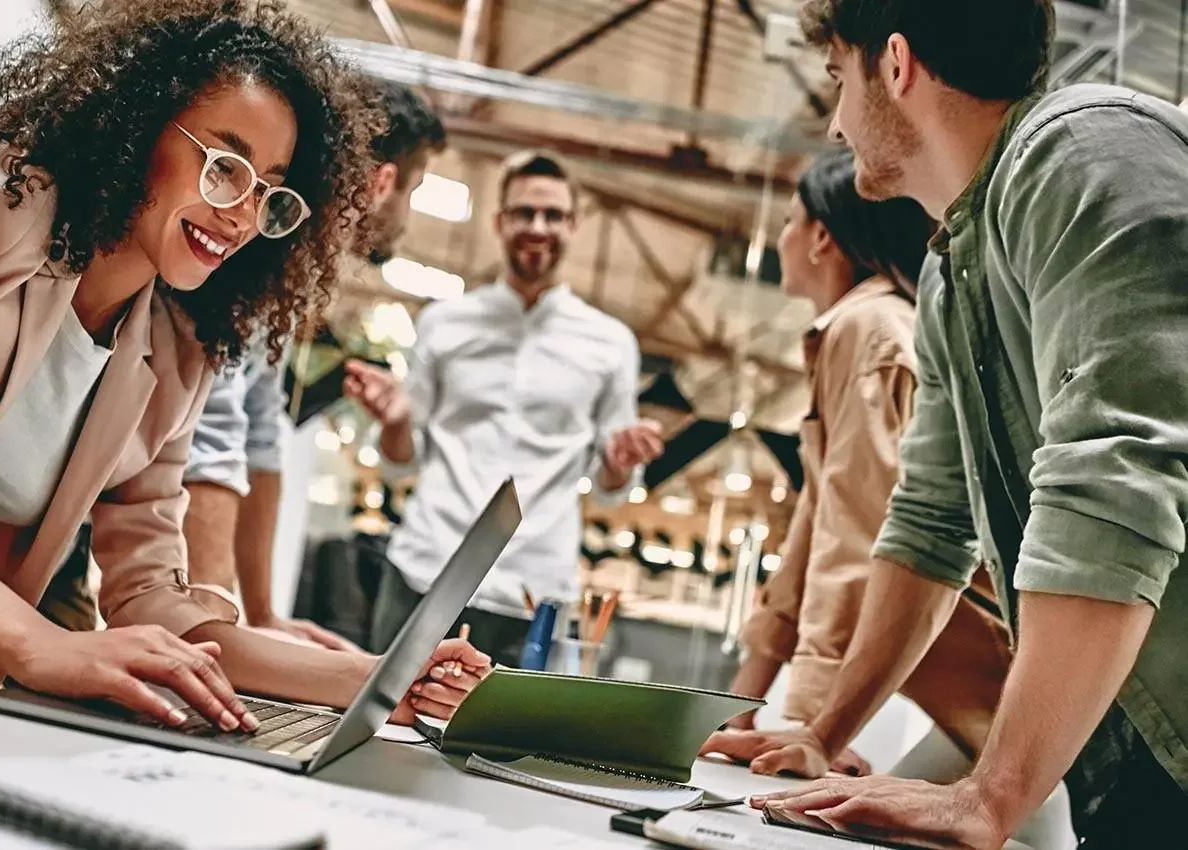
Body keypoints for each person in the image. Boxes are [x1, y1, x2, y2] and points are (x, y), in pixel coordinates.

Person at [0, 0, 486, 758]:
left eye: (270, 193)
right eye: (224, 167)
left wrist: (378, 679)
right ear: (138, 125)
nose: (242, 215)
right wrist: (43, 646)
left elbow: (152, 597)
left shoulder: (176, 351)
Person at [707, 1, 1188, 846]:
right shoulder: (949, 273)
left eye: (837, 81)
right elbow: (930, 521)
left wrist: (990, 796)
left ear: (895, 65)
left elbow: (1112, 484)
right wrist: (824, 733)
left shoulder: (1084, 153)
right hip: (1136, 748)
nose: (835, 122)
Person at [720, 149, 1017, 776]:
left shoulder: (869, 331)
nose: (781, 237)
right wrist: (739, 704)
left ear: (822, 236)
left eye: (789, 221)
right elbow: (812, 530)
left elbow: (858, 535)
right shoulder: (857, 330)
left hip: (990, 675)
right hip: (966, 681)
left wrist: (811, 727)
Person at [345, 151, 665, 668]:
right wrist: (397, 422)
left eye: (554, 215)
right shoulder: (444, 324)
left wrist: (620, 462)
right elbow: (401, 460)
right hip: (427, 571)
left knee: (505, 746)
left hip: (534, 591)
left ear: (574, 225)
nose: (538, 227)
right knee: (383, 729)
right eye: (524, 213)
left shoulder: (612, 344)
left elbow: (611, 491)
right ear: (499, 222)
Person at [177, 80, 446, 651]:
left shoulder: (296, 270)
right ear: (382, 182)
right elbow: (215, 434)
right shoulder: (258, 247)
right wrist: (221, 629)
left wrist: (262, 614)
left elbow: (259, 432)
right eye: (414, 191)